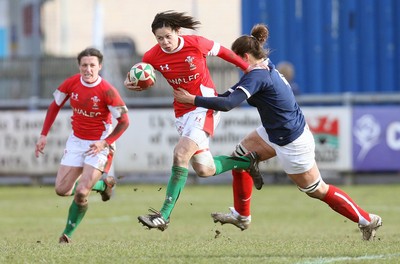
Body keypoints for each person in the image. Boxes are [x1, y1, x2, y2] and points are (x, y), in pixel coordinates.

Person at [173, 24, 382, 241]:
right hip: (274, 131)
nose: (235, 64)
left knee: (317, 190)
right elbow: (228, 94)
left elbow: (228, 104)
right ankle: (241, 216)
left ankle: (367, 219)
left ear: (245, 56)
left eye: (236, 59)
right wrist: (201, 97)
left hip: (292, 140)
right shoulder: (262, 66)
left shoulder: (257, 76)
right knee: (240, 157)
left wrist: (193, 99)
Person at [124, 10, 262, 231]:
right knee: (204, 169)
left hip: (205, 107)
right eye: (159, 38)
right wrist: (131, 81)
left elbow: (225, 52)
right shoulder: (152, 56)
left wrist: (249, 69)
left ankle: (163, 216)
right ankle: (246, 162)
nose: (165, 42)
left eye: (168, 36)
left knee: (180, 154)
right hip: (181, 112)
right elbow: (142, 72)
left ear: (178, 31)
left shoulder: (196, 43)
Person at [35, 47, 130, 243]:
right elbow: (54, 106)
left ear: (100, 67)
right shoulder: (70, 84)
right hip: (77, 141)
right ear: (79, 66)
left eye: (92, 65)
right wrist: (43, 135)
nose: (88, 69)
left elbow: (125, 121)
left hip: (99, 144)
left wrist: (105, 142)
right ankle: (104, 184)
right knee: (62, 190)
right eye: (84, 65)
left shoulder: (107, 91)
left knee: (81, 192)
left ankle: (67, 234)